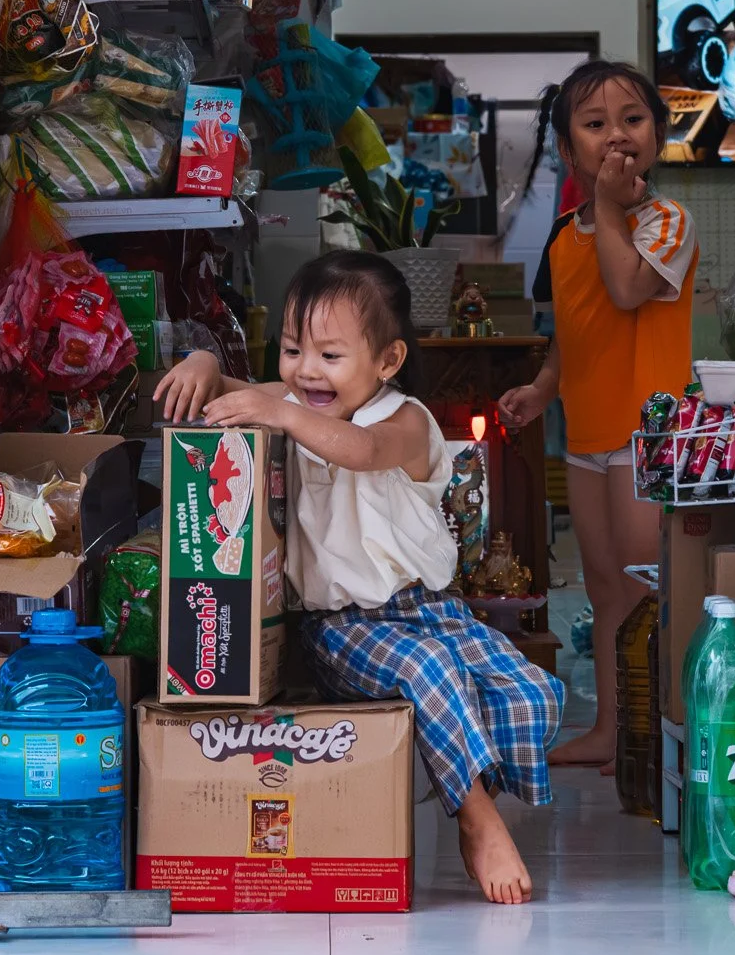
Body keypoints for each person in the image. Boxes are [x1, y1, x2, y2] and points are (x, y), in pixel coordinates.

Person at [155, 250, 563, 906]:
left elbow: (360, 450)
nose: (305, 371)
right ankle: (474, 817)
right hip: (342, 626)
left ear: (388, 361)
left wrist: (285, 410)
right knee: (429, 669)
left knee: (529, 691)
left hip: (432, 607)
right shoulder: (297, 400)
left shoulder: (404, 421)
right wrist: (207, 364)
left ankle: (472, 781)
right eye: (292, 349)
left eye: (329, 355)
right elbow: (236, 394)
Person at [500, 60, 695, 768]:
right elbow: (574, 332)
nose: (616, 135)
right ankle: (614, 731)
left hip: (648, 436)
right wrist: (542, 389)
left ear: (659, 133)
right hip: (585, 435)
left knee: (651, 588)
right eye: (595, 124)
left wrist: (611, 209)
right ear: (565, 147)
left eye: (633, 119)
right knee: (607, 589)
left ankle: (661, 733)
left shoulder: (669, 220)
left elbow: (625, 290)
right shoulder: (563, 237)